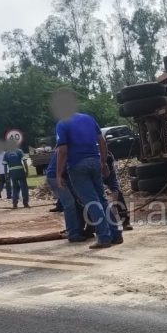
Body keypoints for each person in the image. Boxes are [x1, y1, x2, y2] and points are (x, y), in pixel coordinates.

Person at [51, 88, 122, 249]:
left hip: (77, 166)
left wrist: (58, 174)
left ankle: (104, 238)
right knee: (102, 200)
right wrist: (103, 163)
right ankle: (116, 234)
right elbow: (102, 142)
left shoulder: (62, 124)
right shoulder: (89, 119)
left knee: (92, 202)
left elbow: (62, 151)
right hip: (95, 161)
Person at [46, 151, 85, 242]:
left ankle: (79, 229)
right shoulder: (68, 146)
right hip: (55, 177)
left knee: (78, 202)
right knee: (69, 204)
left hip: (64, 176)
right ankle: (73, 233)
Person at [103, 153, 132, 231]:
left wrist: (114, 204)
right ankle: (91, 227)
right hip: (92, 170)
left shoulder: (110, 165)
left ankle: (125, 221)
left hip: (104, 164)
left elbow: (115, 188)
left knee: (119, 195)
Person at [2, 140, 30, 209]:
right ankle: (25, 203)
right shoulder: (19, 151)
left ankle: (15, 203)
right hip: (20, 171)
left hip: (12, 173)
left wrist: (6, 175)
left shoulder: (6, 153)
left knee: (15, 188)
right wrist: (27, 170)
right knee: (24, 187)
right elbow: (25, 161)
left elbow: (5, 165)